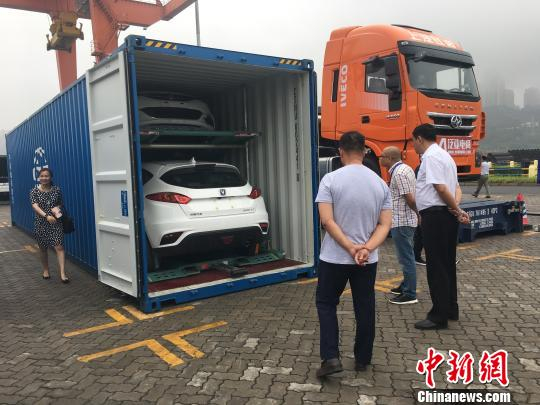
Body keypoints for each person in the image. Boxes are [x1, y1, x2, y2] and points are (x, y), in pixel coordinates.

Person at [315, 131, 392, 377]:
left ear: (341, 151)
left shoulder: (330, 180)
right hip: (367, 260)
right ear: (365, 151)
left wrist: (350, 247)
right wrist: (366, 248)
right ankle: (363, 359)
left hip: (334, 257)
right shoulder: (380, 183)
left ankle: (331, 358)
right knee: (365, 307)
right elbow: (385, 225)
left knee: (326, 303)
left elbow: (327, 221)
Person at [412, 124, 469, 330]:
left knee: (436, 266)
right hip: (445, 215)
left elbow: (441, 188)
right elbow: (456, 188)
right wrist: (455, 208)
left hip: (436, 216)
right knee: (447, 264)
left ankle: (438, 316)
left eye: (413, 141)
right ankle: (450, 308)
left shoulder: (430, 157)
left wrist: (457, 209)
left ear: (419, 138)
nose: (413, 145)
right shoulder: (446, 156)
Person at [379, 146, 419, 305]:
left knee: (406, 258)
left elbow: (410, 198)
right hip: (404, 220)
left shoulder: (399, 173)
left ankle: (410, 293)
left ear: (389, 158)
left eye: (382, 156)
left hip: (402, 221)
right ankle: (405, 285)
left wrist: (418, 213)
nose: (380, 158)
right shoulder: (405, 169)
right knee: (406, 256)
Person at [30, 168, 69, 283]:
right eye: (42, 176)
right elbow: (35, 206)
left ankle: (62, 273)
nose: (44, 178)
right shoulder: (34, 191)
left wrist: (56, 210)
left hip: (55, 223)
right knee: (43, 248)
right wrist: (47, 216)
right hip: (41, 223)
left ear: (51, 177)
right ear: (39, 177)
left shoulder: (57, 190)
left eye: (46, 176)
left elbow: (60, 204)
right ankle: (46, 270)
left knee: (59, 246)